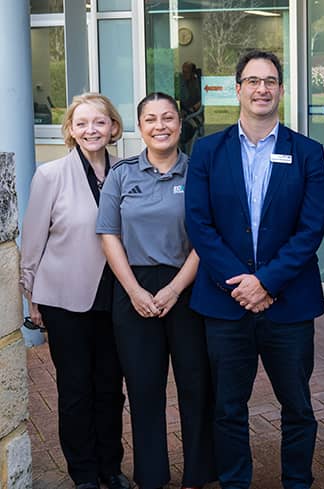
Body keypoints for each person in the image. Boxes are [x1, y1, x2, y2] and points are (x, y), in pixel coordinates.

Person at [185, 50, 324, 489]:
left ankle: (297, 482)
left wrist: (266, 281)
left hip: (288, 306)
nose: (262, 88)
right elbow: (199, 223)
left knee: (298, 408)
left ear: (281, 90)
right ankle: (234, 482)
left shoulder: (305, 152)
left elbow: (311, 227)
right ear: (238, 89)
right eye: (253, 81)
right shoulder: (207, 149)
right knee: (228, 407)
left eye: (270, 81)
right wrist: (241, 284)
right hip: (226, 305)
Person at [96, 92, 215, 489]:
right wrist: (133, 291)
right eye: (151, 119)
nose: (160, 126)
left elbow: (208, 237)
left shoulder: (199, 172)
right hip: (134, 290)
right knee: (145, 389)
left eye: (168, 118)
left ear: (180, 125)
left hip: (188, 288)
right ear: (139, 126)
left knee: (195, 385)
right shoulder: (122, 174)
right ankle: (151, 475)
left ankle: (199, 473)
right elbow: (108, 234)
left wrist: (176, 288)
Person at [19, 93, 130, 489]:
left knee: (110, 390)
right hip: (65, 300)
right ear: (69, 130)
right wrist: (31, 297)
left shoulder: (127, 171)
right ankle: (83, 473)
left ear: (113, 127)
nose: (91, 130)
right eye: (81, 123)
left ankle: (110, 468)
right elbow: (32, 242)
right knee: (75, 390)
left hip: (116, 300)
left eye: (99, 122)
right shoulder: (50, 175)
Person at [179, 61, 203, 152]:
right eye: (183, 71)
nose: (184, 74)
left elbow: (203, 101)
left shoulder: (199, 84)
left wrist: (191, 110)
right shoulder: (183, 84)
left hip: (195, 115)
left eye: (186, 72)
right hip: (184, 114)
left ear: (193, 73)